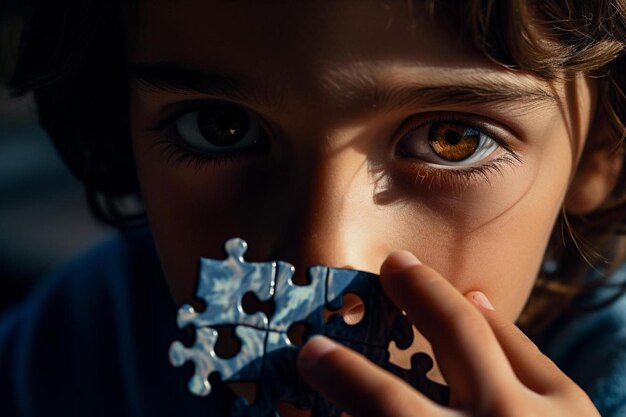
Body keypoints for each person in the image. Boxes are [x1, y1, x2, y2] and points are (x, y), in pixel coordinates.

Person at [2, 0, 626, 416]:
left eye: (451, 139)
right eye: (220, 127)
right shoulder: (75, 343)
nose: (322, 262)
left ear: (603, 153)